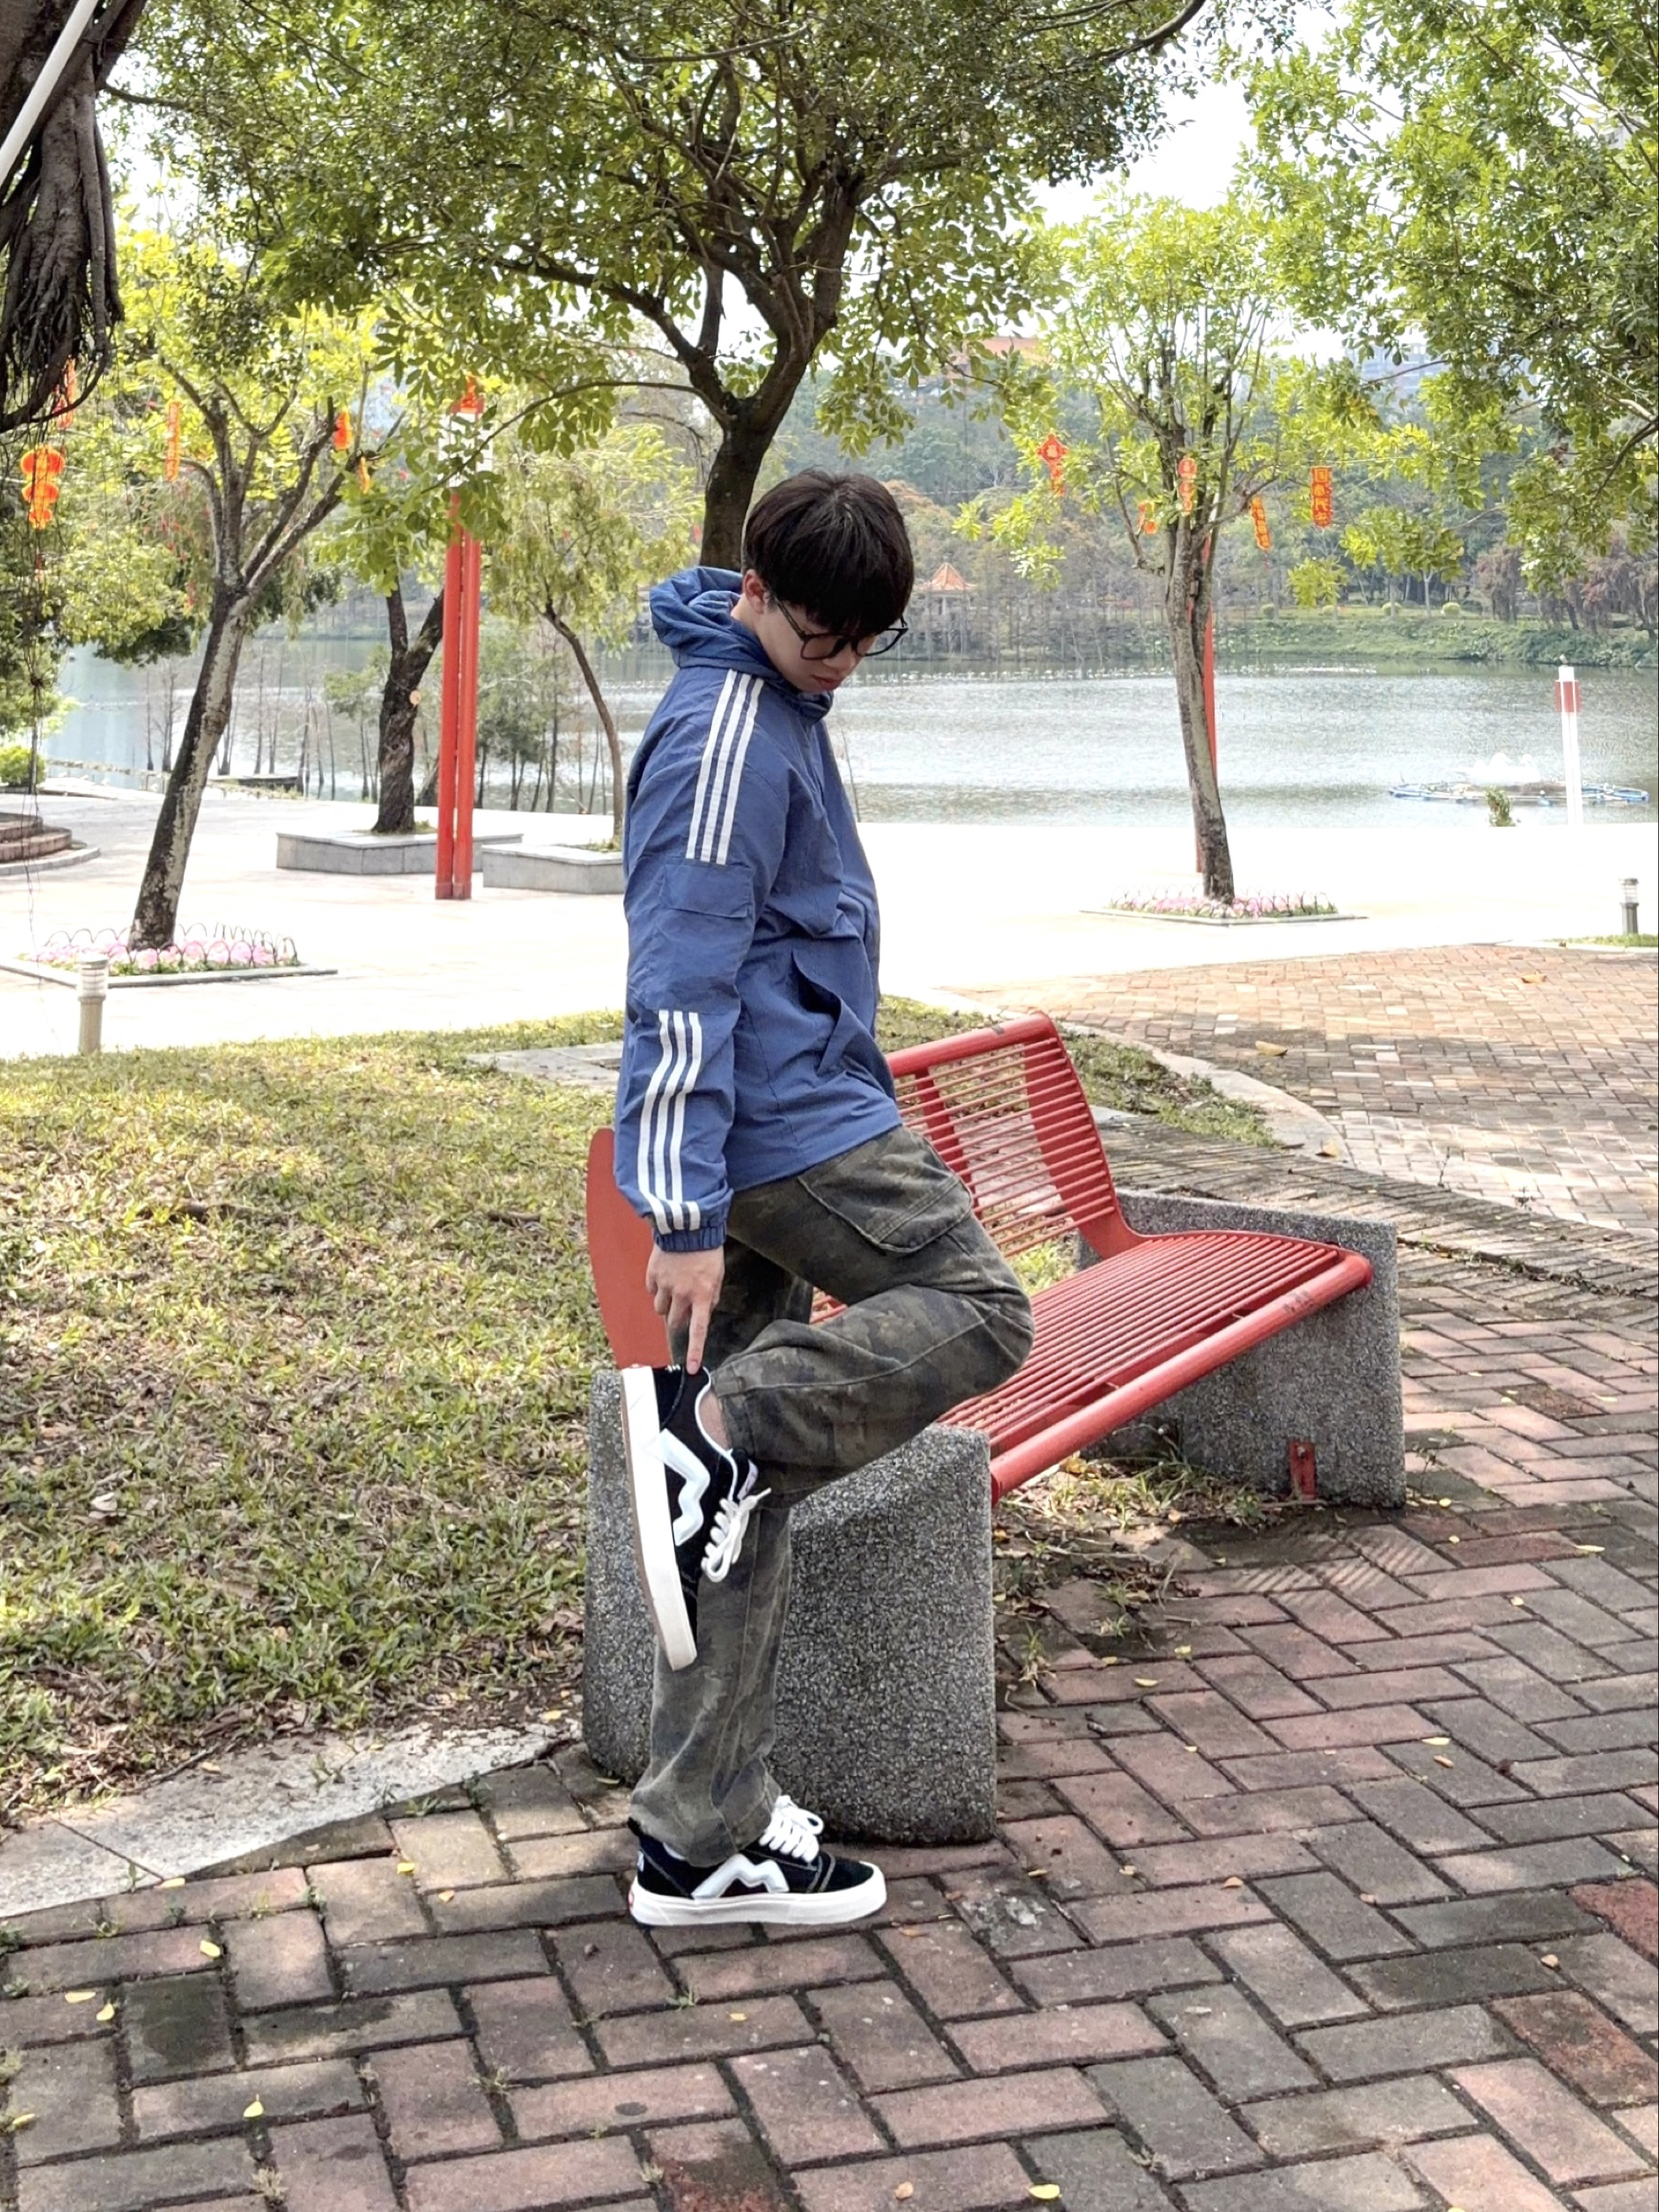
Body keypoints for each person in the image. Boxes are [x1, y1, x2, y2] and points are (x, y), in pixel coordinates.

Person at [611, 471, 1032, 1929]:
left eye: (865, 641)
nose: (840, 661)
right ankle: (720, 1428)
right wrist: (681, 1209)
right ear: (756, 589)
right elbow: (677, 977)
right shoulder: (726, 730)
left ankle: (699, 1834)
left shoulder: (777, 698)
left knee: (740, 1512)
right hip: (782, 1133)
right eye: (819, 634)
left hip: (783, 1111)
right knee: (982, 1307)